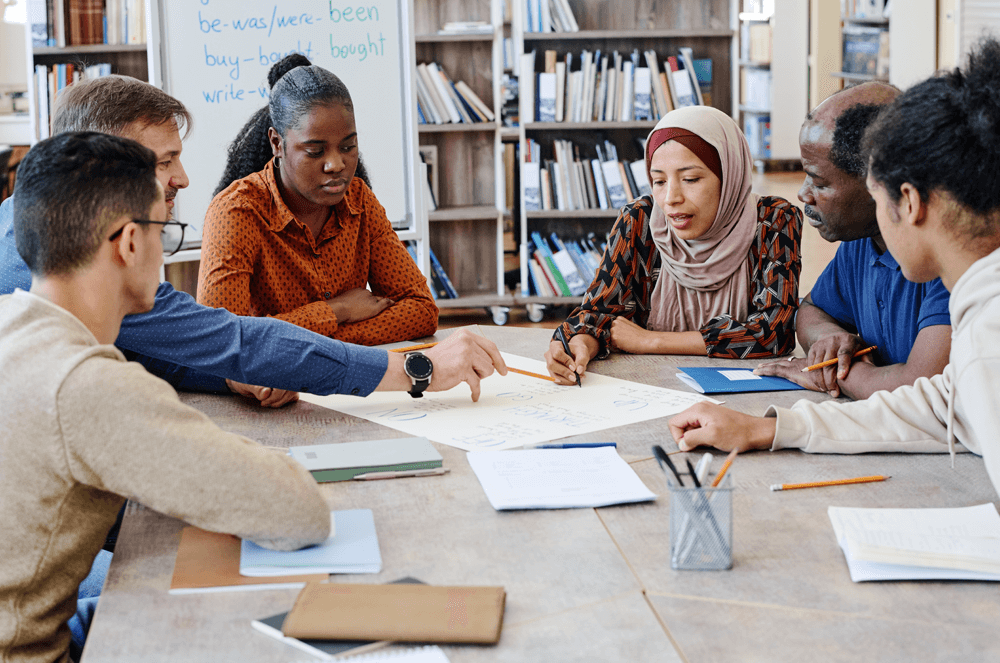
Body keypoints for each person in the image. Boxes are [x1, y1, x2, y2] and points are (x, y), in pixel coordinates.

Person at [0, 131, 332, 663]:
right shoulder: (86, 383)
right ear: (130, 243)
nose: (166, 248)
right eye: (167, 230)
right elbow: (298, 511)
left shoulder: (11, 325)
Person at [0, 75, 505, 404]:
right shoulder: (82, 264)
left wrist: (236, 373)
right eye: (162, 162)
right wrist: (418, 366)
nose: (183, 179)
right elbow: (234, 337)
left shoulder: (19, 222)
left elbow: (168, 348)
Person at [668, 37, 1000, 494]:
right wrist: (767, 429)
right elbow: (941, 408)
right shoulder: (980, 297)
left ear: (908, 202)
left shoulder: (989, 333)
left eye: (877, 195)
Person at [545, 106, 803, 385]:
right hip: (648, 390)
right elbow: (599, 315)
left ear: (729, 175)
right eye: (658, 181)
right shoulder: (640, 220)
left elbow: (774, 333)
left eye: (691, 179)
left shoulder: (774, 220)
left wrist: (651, 341)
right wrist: (582, 344)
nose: (670, 198)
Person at [198, 55, 437, 346]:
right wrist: (339, 310)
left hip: (343, 381)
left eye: (348, 146)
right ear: (277, 144)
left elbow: (422, 310)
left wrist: (320, 345)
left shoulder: (359, 199)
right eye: (315, 151)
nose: (336, 164)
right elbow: (222, 340)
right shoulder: (236, 212)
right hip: (269, 388)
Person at [753, 83, 951, 398]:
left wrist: (834, 375)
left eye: (818, 181)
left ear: (879, 184)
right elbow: (813, 308)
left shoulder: (951, 258)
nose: (804, 194)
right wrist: (829, 340)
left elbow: (922, 389)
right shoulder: (862, 240)